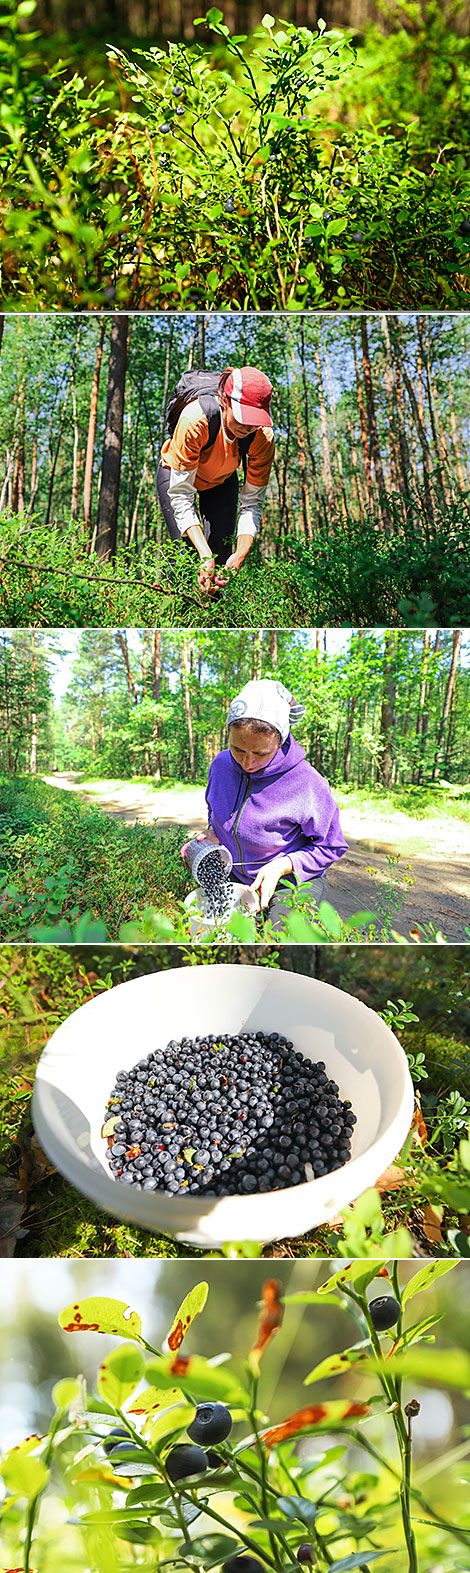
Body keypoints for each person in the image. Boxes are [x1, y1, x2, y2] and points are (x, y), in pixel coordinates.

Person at [204, 678, 348, 932]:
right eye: (238, 750)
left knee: (278, 936)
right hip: (236, 874)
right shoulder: (221, 765)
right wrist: (213, 833)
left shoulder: (306, 782)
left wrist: (283, 865)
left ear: (280, 741)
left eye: (261, 754)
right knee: (214, 927)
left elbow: (332, 846)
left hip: (291, 881)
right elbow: (214, 810)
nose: (247, 763)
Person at [156, 366, 275, 594]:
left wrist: (241, 554)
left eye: (254, 419)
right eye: (242, 417)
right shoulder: (196, 418)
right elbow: (182, 495)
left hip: (221, 480)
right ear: (224, 401)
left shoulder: (262, 437)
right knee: (186, 554)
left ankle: (214, 617)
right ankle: (173, 610)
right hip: (176, 477)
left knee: (221, 554)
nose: (248, 427)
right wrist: (203, 552)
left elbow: (252, 503)